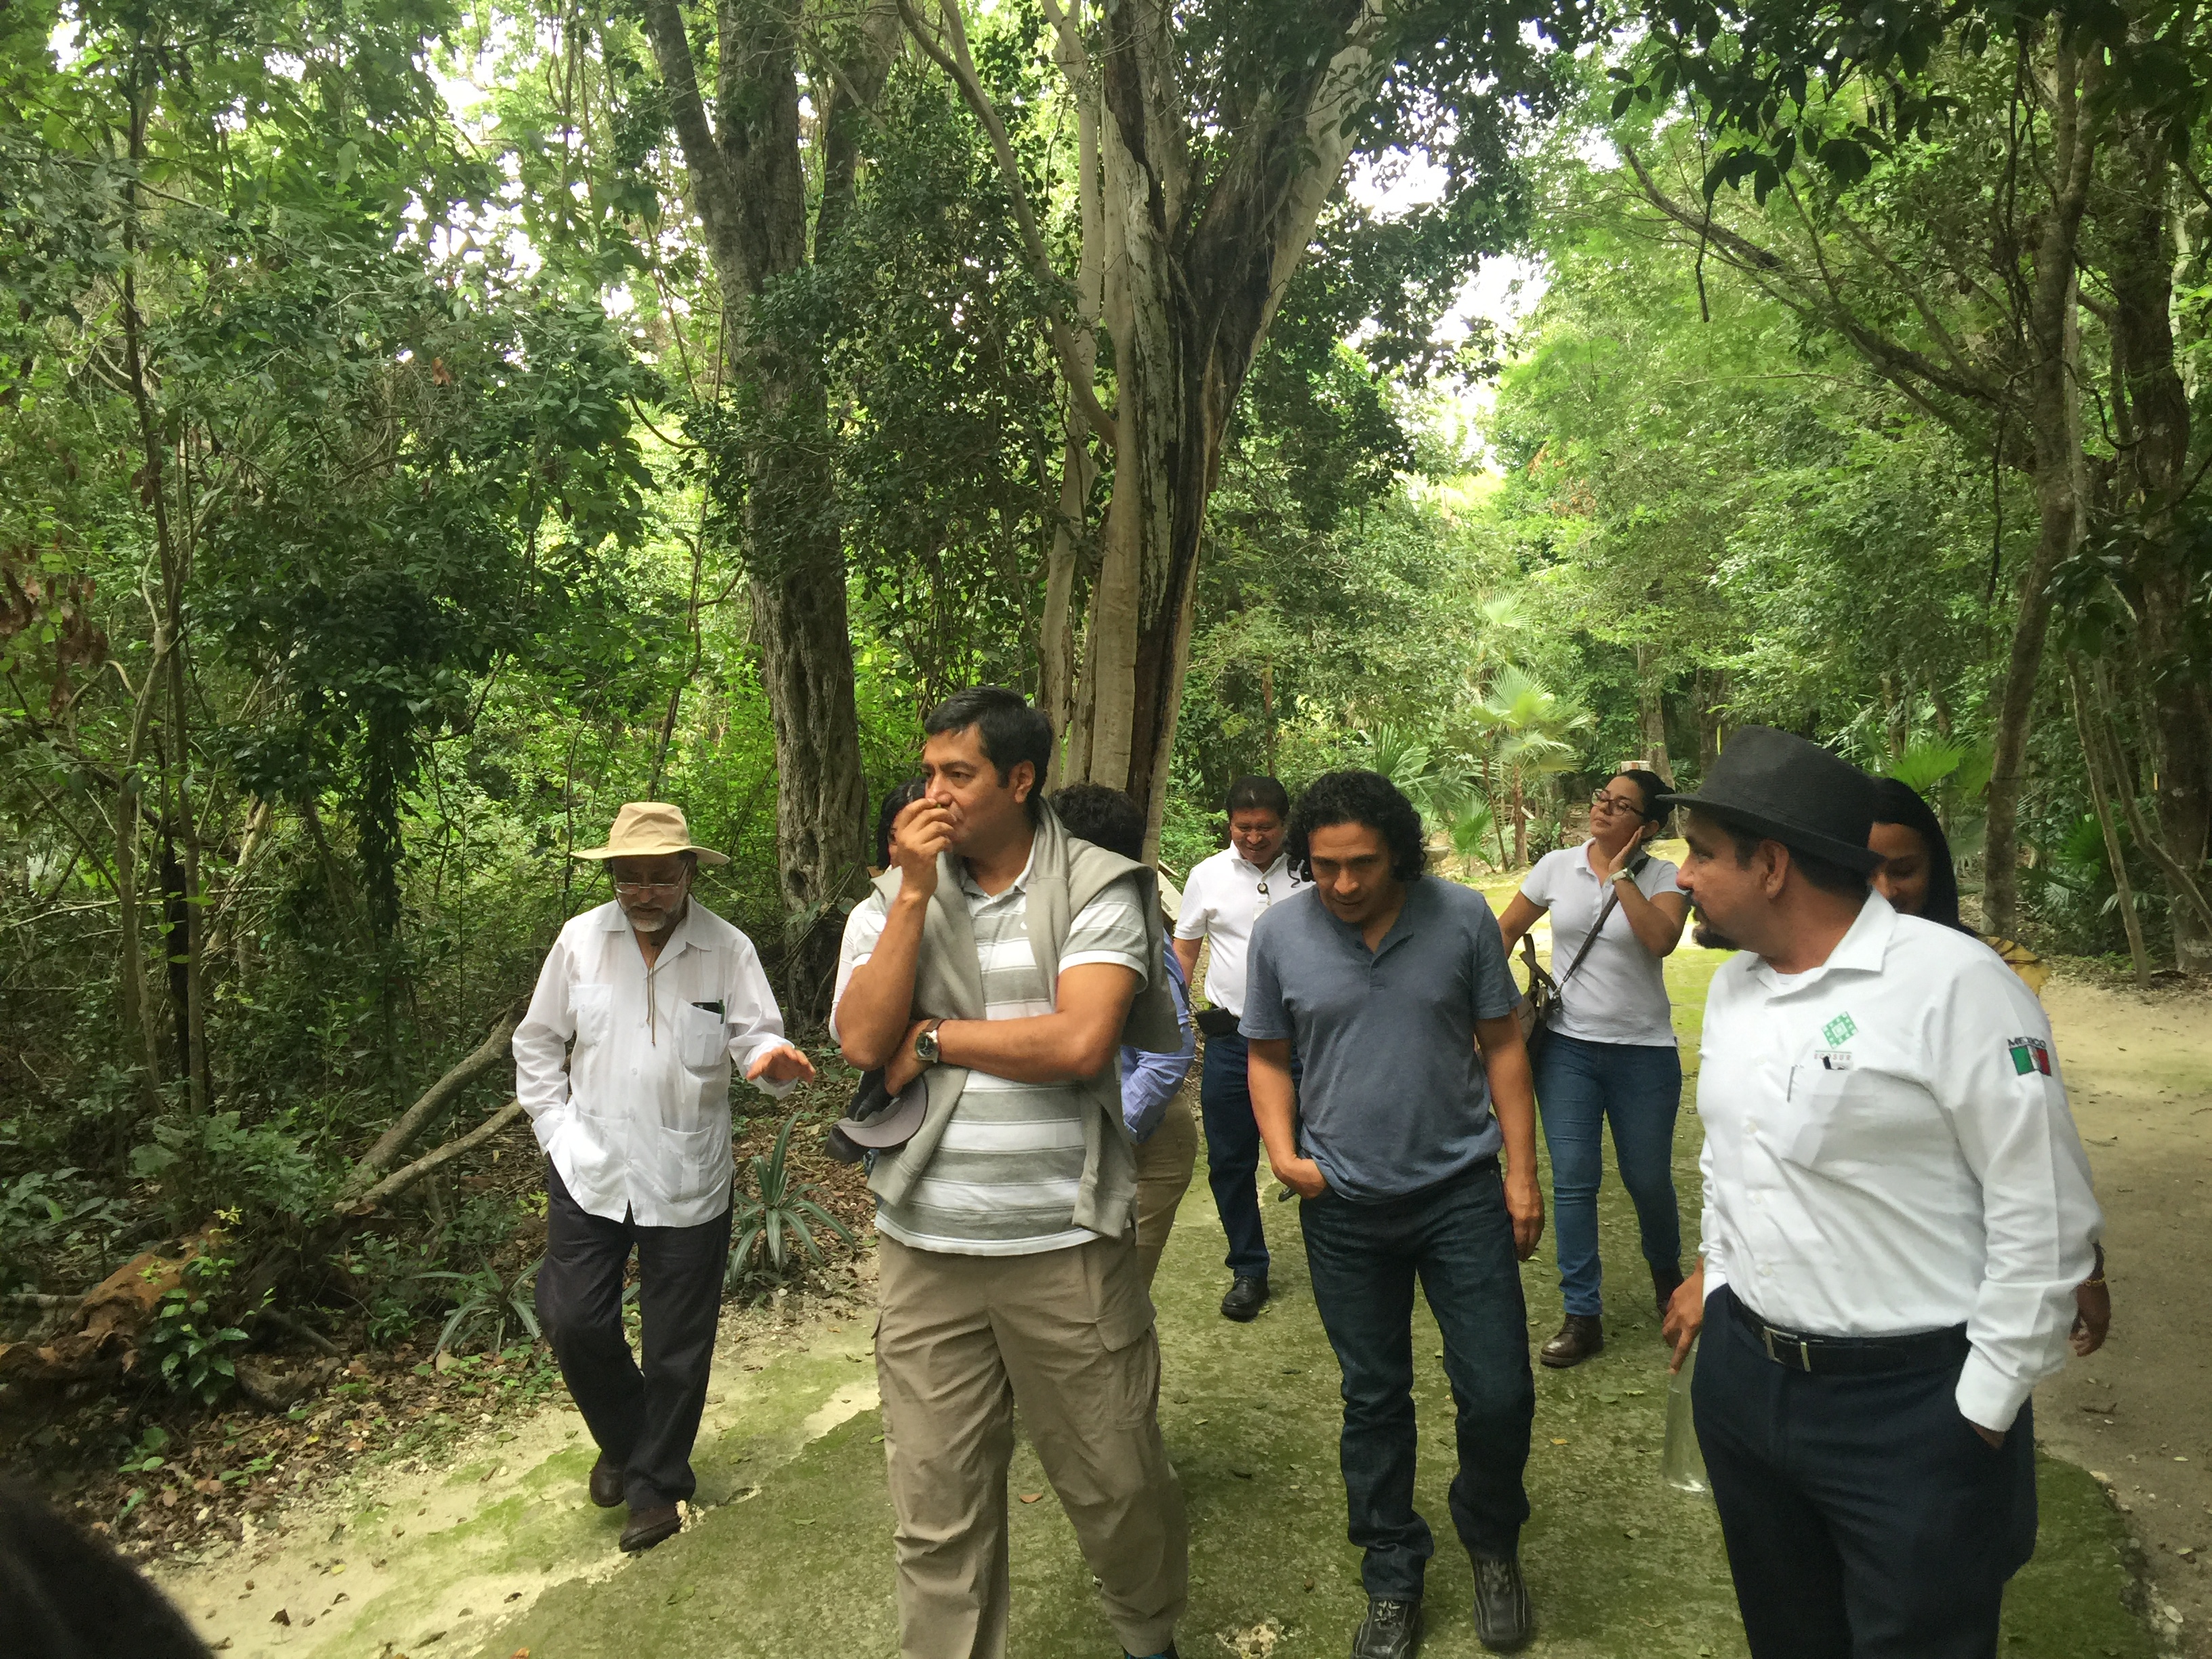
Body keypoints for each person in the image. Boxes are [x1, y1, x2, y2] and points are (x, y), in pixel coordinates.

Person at [1659, 729, 2103, 1659]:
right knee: (1790, 1636)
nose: (1683, 876)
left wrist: (1979, 1408)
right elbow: (1733, 1158)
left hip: (1909, 1406)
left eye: (1702, 852)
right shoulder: (1738, 989)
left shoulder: (1958, 989)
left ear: (1772, 863)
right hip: (1749, 1385)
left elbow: (2045, 1214)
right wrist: (1720, 1275)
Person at [832, 687, 1189, 1659]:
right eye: (929, 772)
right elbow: (866, 1039)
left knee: (1115, 1477)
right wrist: (912, 894)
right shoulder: (891, 899)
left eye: (960, 775)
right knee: (933, 1500)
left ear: (1020, 780)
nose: (933, 794)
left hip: (1063, 1243)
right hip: (925, 1249)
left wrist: (938, 1037)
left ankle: (1147, 1634)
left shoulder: (1103, 886)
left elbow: (1081, 1041)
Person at [1243, 770, 1544, 1658]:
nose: (1342, 885)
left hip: (1460, 1195)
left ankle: (1491, 1541)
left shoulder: (1459, 921)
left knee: (1498, 1391)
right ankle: (1392, 1574)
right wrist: (1284, 1152)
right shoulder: (1279, 934)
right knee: (1374, 1399)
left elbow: (1502, 1047)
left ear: (1399, 854)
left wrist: (1521, 1175)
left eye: (1362, 866)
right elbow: (1265, 1055)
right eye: (1325, 866)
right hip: (1342, 1206)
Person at [514, 802, 817, 1553]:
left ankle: (655, 1487)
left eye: (660, 876)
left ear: (687, 872)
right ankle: (628, 1442)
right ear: (613, 875)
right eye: (630, 876)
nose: (644, 891)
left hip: (687, 1169)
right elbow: (537, 1043)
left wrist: (771, 1065)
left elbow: (756, 1039)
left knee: (678, 1345)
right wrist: (554, 1131)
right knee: (573, 1318)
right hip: (590, 1165)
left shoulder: (727, 948)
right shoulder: (580, 941)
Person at [1869, 777, 2110, 1356]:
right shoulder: (1797, 981)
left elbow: (2032, 1131)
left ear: (1937, 871)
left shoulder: (1987, 975)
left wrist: (2085, 1266)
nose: (1883, 891)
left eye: (1903, 870)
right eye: (1863, 871)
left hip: (1966, 1269)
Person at [1496, 768, 1689, 1368]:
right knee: (1574, 1182)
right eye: (1602, 798)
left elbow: (1660, 938)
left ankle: (1669, 1281)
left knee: (1647, 1179)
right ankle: (1583, 1314)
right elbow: (1502, 931)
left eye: (1622, 806)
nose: (1603, 810)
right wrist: (1492, 1008)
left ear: (1649, 826)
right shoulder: (1556, 865)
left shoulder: (1665, 877)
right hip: (1569, 1049)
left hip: (1645, 1052)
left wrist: (1623, 875)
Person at [1050, 781, 1200, 1286]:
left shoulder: (1135, 931)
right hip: (1082, 1141)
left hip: (1144, 1144)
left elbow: (1166, 1056)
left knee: (1113, 1305)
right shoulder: (1062, 922)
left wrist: (1113, 1141)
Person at [1172, 775, 1305, 1322]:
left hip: (1308, 1040)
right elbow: (1184, 950)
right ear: (1229, 825)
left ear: (1285, 825)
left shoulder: (1311, 869)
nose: (1253, 838)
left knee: (1323, 1147)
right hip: (1232, 1041)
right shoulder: (1206, 876)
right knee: (1230, 1160)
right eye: (1243, 828)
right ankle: (1249, 1268)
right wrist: (1173, 1017)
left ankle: (1344, 1254)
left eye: (1265, 828)